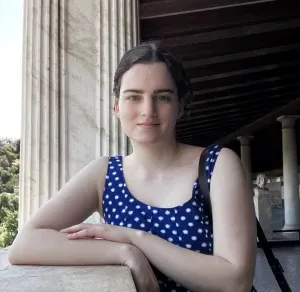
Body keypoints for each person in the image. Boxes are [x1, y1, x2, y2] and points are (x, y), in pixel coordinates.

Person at [9, 42, 257, 292]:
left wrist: (136, 239)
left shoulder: (217, 165)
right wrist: (123, 252)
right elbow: (24, 244)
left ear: (180, 106)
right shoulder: (105, 174)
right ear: (117, 106)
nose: (147, 111)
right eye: (134, 97)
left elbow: (235, 281)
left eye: (162, 97)